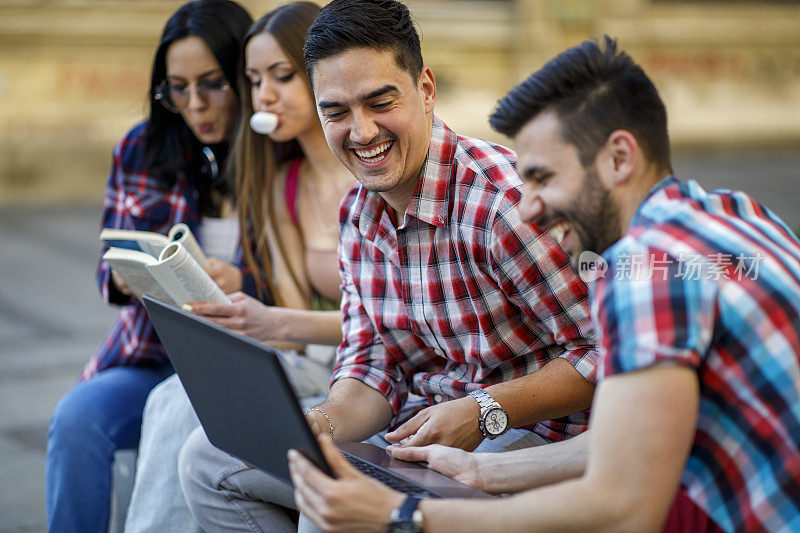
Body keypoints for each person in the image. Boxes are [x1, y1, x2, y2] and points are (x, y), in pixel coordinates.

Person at [287, 35, 800, 533]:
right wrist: (485, 472)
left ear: (619, 159)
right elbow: (633, 437)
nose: (527, 205)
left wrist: (403, 515)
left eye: (542, 177)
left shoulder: (642, 271)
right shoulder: (732, 215)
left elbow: (623, 509)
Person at [179, 0, 598, 531]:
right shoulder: (357, 214)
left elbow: (607, 352)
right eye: (336, 112)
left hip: (536, 443)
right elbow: (371, 366)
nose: (361, 132)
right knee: (207, 457)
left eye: (380, 102)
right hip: (418, 434)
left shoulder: (506, 206)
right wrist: (320, 425)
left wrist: (484, 410)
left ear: (425, 89)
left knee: (331, 515)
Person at [122, 3, 356, 531]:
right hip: (319, 361)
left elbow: (377, 324)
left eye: (282, 75)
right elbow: (298, 322)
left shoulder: (373, 168)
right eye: (253, 80)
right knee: (176, 397)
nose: (264, 96)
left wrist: (274, 323)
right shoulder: (284, 185)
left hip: (363, 372)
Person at [45, 2, 255, 531]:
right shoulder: (142, 148)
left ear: (244, 74)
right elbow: (107, 270)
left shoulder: (277, 153)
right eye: (176, 88)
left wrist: (244, 282)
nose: (194, 104)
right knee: (76, 420)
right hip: (155, 351)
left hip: (249, 359)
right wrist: (125, 272)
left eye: (211, 84)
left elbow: (309, 284)